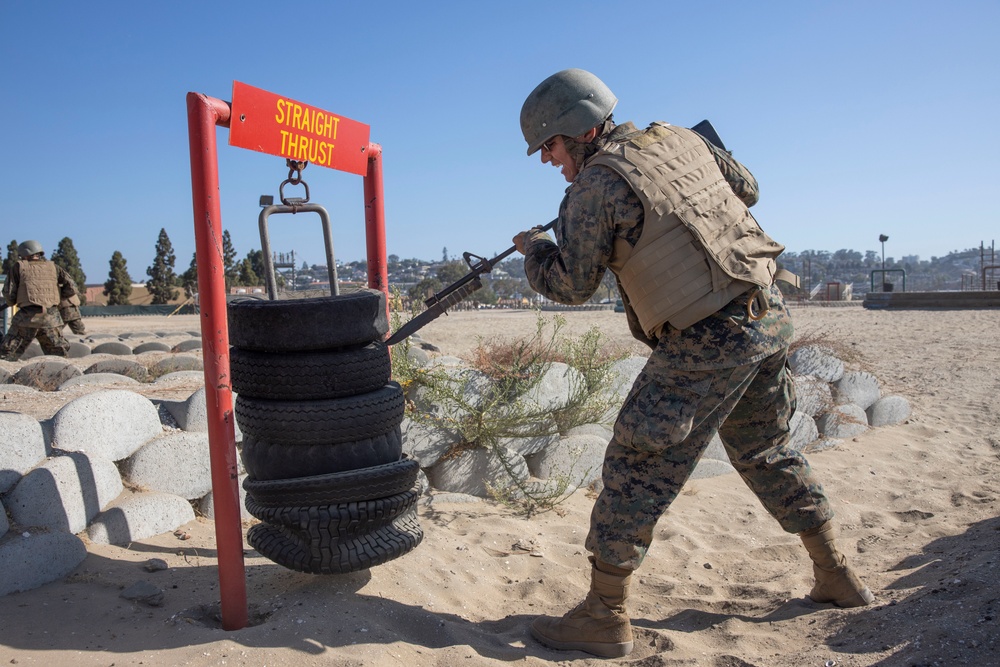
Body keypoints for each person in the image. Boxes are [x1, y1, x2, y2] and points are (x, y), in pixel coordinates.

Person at [513, 69, 873, 659]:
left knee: (636, 459)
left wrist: (536, 252)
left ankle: (604, 614)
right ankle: (834, 573)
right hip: (766, 315)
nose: (548, 160)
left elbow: (572, 285)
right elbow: (748, 190)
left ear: (577, 130)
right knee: (766, 449)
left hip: (708, 340)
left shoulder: (592, 189)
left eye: (548, 147)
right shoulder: (681, 138)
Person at [0, 240, 73, 360]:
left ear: (24, 254)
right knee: (59, 357)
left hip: (26, 318)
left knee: (6, 354)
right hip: (51, 319)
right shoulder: (53, 267)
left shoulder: (19, 267)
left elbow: (8, 293)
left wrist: (12, 302)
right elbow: (71, 288)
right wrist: (54, 299)